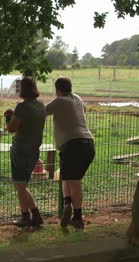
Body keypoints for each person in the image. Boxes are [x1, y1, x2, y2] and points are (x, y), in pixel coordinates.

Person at [45, 77, 95, 229]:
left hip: (73, 145)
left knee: (73, 180)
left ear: (57, 89)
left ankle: (77, 216)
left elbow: (42, 111)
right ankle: (68, 204)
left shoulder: (60, 101)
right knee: (67, 176)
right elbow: (83, 110)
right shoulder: (77, 98)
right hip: (88, 144)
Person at [4, 77, 46, 227]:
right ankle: (35, 215)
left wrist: (9, 116)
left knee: (20, 185)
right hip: (34, 150)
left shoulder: (21, 107)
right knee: (22, 185)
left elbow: (11, 128)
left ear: (22, 90)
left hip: (21, 148)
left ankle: (26, 217)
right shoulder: (41, 106)